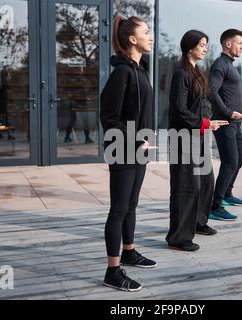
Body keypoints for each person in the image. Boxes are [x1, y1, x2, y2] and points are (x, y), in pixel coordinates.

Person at [100, 15, 155, 292]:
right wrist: (135, 140)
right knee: (118, 210)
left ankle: (130, 252)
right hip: (123, 150)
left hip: (138, 150)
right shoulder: (121, 73)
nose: (151, 35)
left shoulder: (139, 70)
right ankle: (112, 270)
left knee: (131, 205)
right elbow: (109, 118)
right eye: (146, 31)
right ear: (132, 39)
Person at [166, 30, 229, 252]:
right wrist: (203, 124)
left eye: (205, 45)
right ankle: (178, 237)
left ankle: (199, 223)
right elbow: (178, 111)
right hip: (182, 139)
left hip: (198, 137)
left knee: (205, 182)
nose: (205, 48)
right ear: (190, 46)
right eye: (202, 45)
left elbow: (205, 102)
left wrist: (213, 120)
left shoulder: (197, 72)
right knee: (186, 187)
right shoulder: (181, 74)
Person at [209, 29, 242, 221]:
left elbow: (227, 94)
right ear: (227, 44)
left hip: (236, 121)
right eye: (239, 42)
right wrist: (227, 112)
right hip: (225, 122)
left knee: (238, 161)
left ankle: (227, 194)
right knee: (230, 162)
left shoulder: (230, 65)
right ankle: (215, 205)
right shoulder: (220, 65)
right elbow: (211, 92)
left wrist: (240, 113)